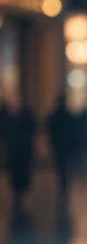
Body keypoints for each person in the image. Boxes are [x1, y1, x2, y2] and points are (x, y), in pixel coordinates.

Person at [3, 92, 37, 221]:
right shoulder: (9, 117)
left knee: (22, 173)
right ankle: (17, 193)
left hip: (23, 151)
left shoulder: (26, 116)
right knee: (15, 174)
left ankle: (20, 193)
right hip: (14, 151)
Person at [47, 93, 78, 200]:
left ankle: (62, 184)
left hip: (59, 145)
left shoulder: (55, 116)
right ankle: (63, 185)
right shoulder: (67, 116)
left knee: (61, 166)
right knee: (64, 166)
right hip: (63, 146)